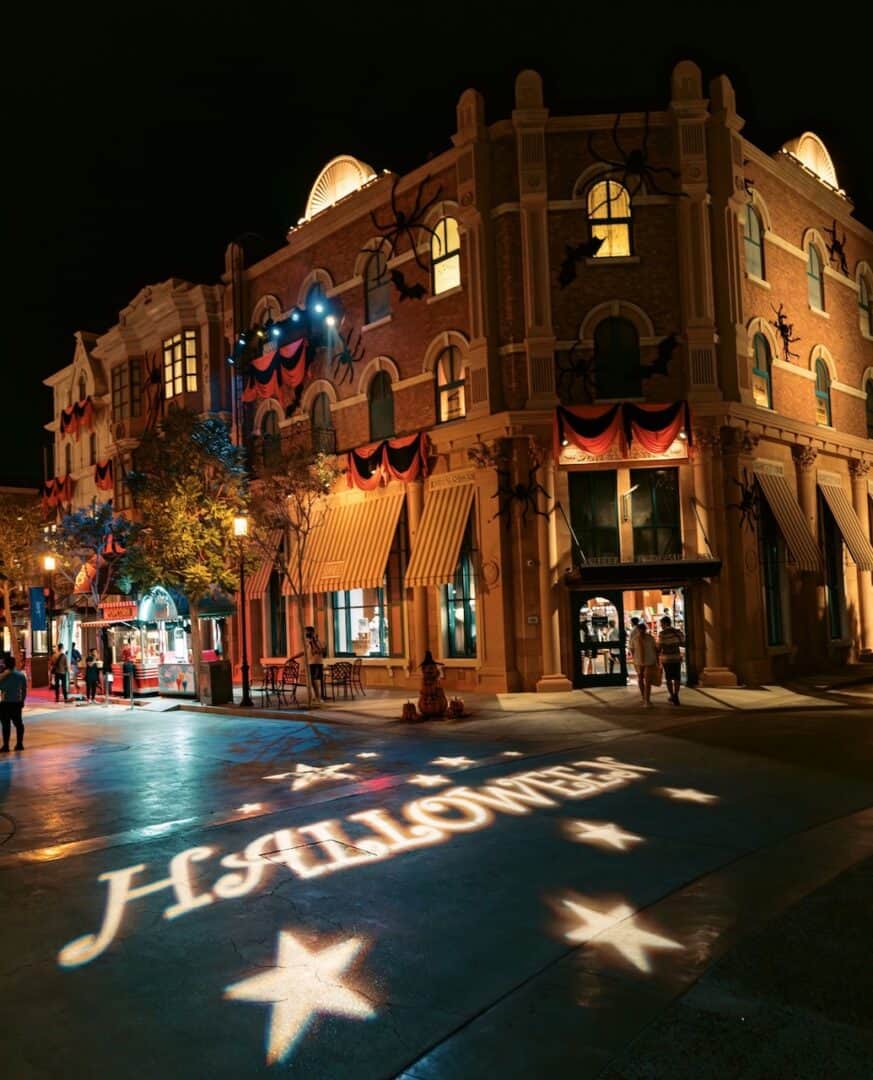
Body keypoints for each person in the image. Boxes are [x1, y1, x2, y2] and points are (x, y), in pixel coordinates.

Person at [0, 654, 28, 751]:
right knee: (19, 724)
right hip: (16, 702)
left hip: (5, 703)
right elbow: (24, 690)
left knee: (5, 725)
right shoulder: (21, 675)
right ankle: (19, 744)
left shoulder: (3, 676)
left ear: (5, 665)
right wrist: (22, 700)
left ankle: (6, 745)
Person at [291, 626, 325, 700]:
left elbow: (318, 651)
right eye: (305, 633)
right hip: (310, 663)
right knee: (312, 680)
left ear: (312, 632)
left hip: (317, 663)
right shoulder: (307, 643)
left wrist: (313, 642)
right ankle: (316, 696)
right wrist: (292, 657)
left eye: (307, 632)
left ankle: (318, 696)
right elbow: (302, 652)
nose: (306, 634)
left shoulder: (319, 641)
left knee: (314, 679)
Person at [658, 615, 685, 705]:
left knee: (668, 678)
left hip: (667, 659)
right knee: (677, 678)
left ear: (665, 623)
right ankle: (676, 695)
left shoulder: (662, 634)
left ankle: (672, 695)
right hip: (676, 657)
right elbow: (683, 642)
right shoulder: (677, 632)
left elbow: (660, 646)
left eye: (661, 624)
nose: (661, 625)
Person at [631, 621, 659, 707]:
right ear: (638, 630)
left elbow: (655, 649)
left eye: (643, 630)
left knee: (647, 681)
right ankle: (644, 696)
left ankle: (647, 699)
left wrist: (656, 660)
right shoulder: (635, 639)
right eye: (640, 630)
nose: (642, 632)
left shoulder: (649, 638)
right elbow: (632, 650)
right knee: (640, 679)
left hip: (648, 661)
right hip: (640, 661)